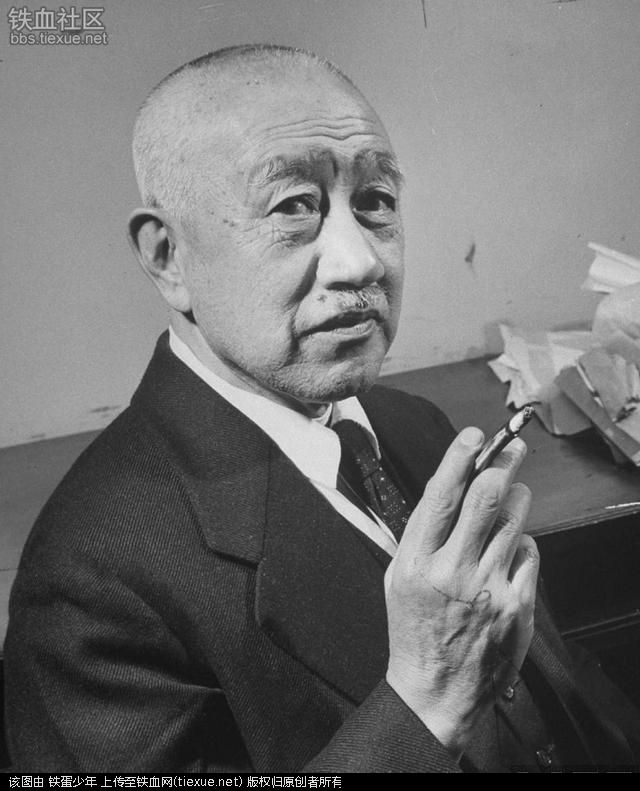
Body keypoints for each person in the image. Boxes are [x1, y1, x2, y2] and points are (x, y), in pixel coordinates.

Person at [4, 44, 640, 773]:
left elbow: (570, 691)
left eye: (376, 202)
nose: (360, 261)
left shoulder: (413, 424)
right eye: (293, 207)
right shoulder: (90, 587)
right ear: (168, 256)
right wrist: (427, 703)